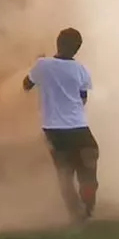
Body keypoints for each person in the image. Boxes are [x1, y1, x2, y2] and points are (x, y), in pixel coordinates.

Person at [23, 28, 99, 223]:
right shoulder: (82, 70)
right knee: (88, 164)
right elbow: (82, 99)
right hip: (79, 126)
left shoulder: (42, 65)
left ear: (58, 42)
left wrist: (36, 66)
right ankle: (87, 205)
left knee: (64, 172)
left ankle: (76, 213)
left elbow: (26, 85)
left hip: (54, 130)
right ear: (77, 49)